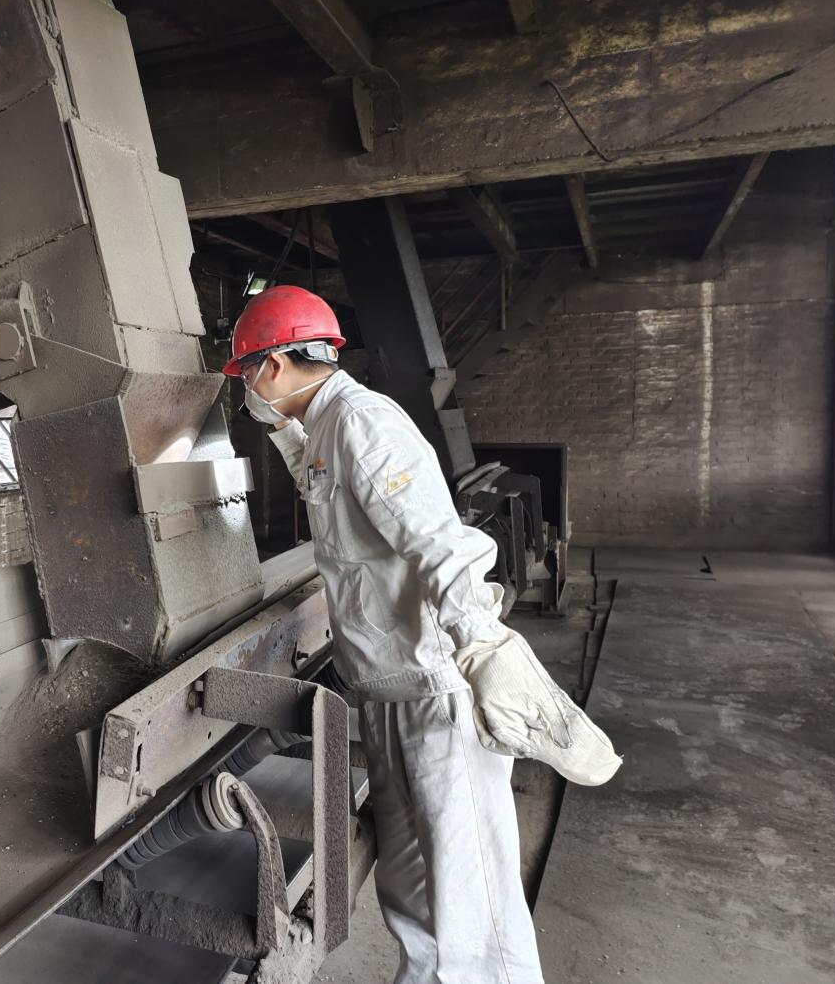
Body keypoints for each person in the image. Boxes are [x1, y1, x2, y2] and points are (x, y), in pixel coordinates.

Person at [225, 284, 619, 984]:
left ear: (274, 366)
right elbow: (334, 496)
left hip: (437, 697)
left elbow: (436, 541)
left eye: (247, 375)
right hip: (389, 697)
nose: (248, 393)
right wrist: (288, 438)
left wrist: (482, 644)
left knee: (472, 912)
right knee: (413, 900)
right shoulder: (323, 430)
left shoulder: (362, 422)